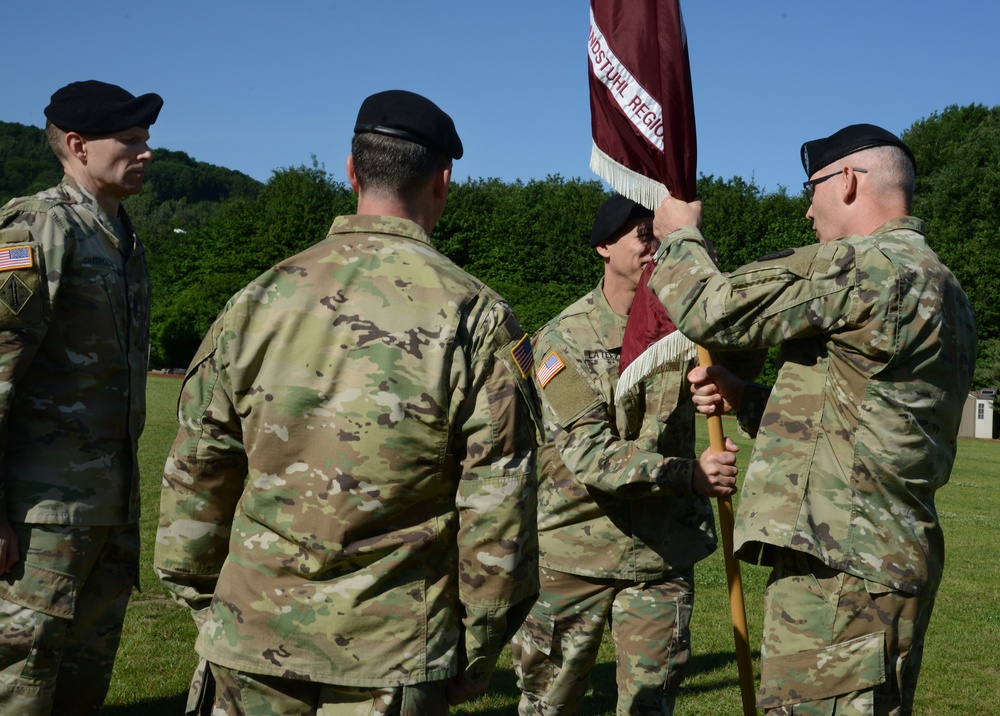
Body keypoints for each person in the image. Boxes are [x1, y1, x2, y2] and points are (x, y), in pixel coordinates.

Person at [154, 89, 541, 716]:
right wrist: (480, 643)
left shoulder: (256, 300)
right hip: (390, 655)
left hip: (250, 638)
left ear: (351, 170)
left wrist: (209, 602)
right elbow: (499, 506)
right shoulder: (476, 316)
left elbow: (197, 471)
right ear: (443, 180)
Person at [649, 124, 978, 715]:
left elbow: (712, 311)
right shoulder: (944, 285)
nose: (806, 210)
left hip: (842, 572)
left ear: (848, 180)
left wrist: (679, 235)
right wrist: (747, 397)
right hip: (882, 556)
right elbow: (868, 415)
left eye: (813, 187)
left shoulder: (862, 266)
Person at [511, 194, 755, 716]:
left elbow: (747, 341)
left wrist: (723, 380)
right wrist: (690, 475)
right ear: (603, 246)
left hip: (659, 556)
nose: (654, 245)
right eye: (642, 234)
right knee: (549, 704)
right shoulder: (560, 340)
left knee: (650, 707)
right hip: (575, 556)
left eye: (661, 233)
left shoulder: (687, 327)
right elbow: (589, 452)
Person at [0, 80, 161, 713]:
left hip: (106, 506)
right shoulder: (36, 229)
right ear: (76, 145)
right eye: (130, 140)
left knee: (83, 679)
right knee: (20, 679)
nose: (147, 153)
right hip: (39, 513)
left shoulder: (119, 234)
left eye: (147, 140)